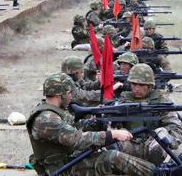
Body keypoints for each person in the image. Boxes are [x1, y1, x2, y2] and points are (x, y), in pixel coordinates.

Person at [26, 73, 159, 176]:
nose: (71, 96)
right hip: (60, 169)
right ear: (60, 94)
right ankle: (160, 173)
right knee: (112, 157)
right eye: (69, 93)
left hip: (67, 161)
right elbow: (77, 140)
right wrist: (112, 134)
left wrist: (96, 122)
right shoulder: (46, 119)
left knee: (110, 153)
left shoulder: (54, 112)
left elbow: (73, 127)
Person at [116, 63, 182, 165]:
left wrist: (170, 141)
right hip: (128, 146)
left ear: (149, 86)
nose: (136, 88)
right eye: (134, 84)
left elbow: (175, 127)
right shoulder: (122, 101)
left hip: (152, 144)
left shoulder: (161, 101)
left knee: (161, 132)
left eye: (141, 85)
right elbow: (110, 126)